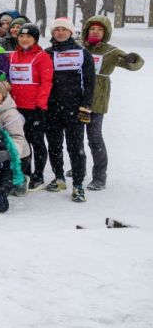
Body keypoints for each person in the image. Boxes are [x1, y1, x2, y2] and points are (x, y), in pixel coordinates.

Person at [80, 15, 144, 190]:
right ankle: (78, 167)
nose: (95, 32)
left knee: (94, 137)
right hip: (76, 97)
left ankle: (99, 175)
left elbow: (134, 64)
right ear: (87, 30)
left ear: (105, 33)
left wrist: (133, 59)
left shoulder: (111, 51)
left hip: (97, 98)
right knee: (75, 137)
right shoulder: (77, 46)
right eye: (92, 28)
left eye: (100, 29)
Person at [43, 17, 95, 202]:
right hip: (52, 107)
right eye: (56, 29)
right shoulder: (47, 53)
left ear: (71, 32)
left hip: (74, 107)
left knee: (76, 147)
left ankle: (78, 185)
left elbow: (90, 82)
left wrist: (86, 105)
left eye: (64, 29)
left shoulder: (82, 53)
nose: (60, 32)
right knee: (55, 145)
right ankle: (59, 178)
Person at [8, 23, 52, 189]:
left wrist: (41, 104)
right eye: (21, 36)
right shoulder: (13, 56)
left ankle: (38, 175)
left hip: (34, 107)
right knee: (21, 141)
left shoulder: (42, 56)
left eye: (28, 36)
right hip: (15, 107)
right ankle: (24, 173)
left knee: (37, 141)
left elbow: (46, 82)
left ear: (35, 39)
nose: (24, 39)